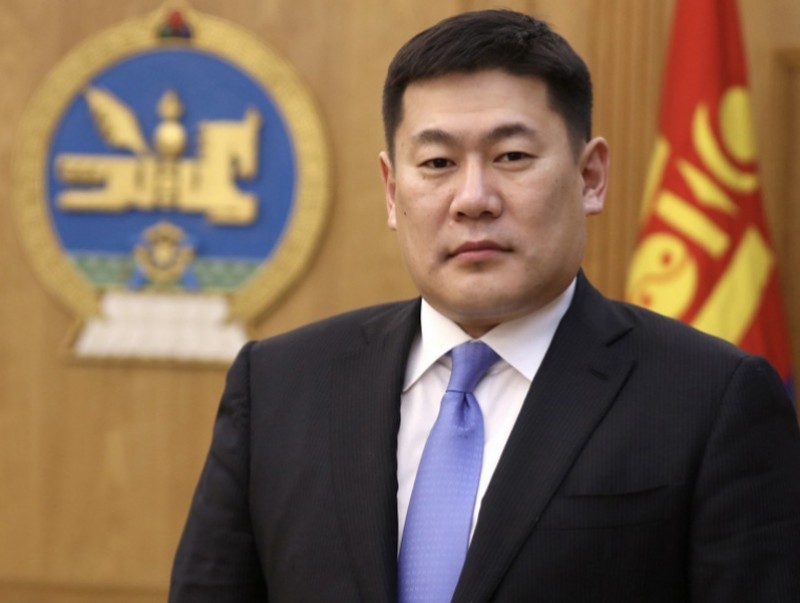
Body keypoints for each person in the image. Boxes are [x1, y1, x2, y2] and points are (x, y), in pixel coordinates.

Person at [169, 9, 800, 602]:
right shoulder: (278, 386)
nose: (473, 198)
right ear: (392, 190)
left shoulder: (712, 398)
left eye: (511, 157)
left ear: (590, 177)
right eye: (438, 162)